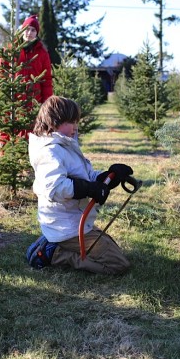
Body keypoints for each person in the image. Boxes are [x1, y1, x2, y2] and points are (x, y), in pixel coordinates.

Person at [27, 95, 133, 275]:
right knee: (118, 265)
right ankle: (55, 254)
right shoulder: (49, 152)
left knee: (111, 248)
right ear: (54, 122)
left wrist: (108, 176)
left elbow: (85, 175)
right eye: (71, 121)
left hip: (74, 222)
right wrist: (88, 188)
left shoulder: (65, 144)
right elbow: (56, 187)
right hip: (66, 227)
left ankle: (55, 243)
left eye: (76, 121)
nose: (76, 126)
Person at [0, 14, 54, 145]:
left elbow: (46, 81)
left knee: (31, 135)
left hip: (33, 102)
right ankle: (6, 159)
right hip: (12, 101)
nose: (29, 33)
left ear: (37, 33)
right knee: (8, 131)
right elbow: (0, 74)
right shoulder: (10, 50)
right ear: (22, 30)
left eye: (33, 30)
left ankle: (28, 163)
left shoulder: (42, 53)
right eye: (27, 29)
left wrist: (47, 104)